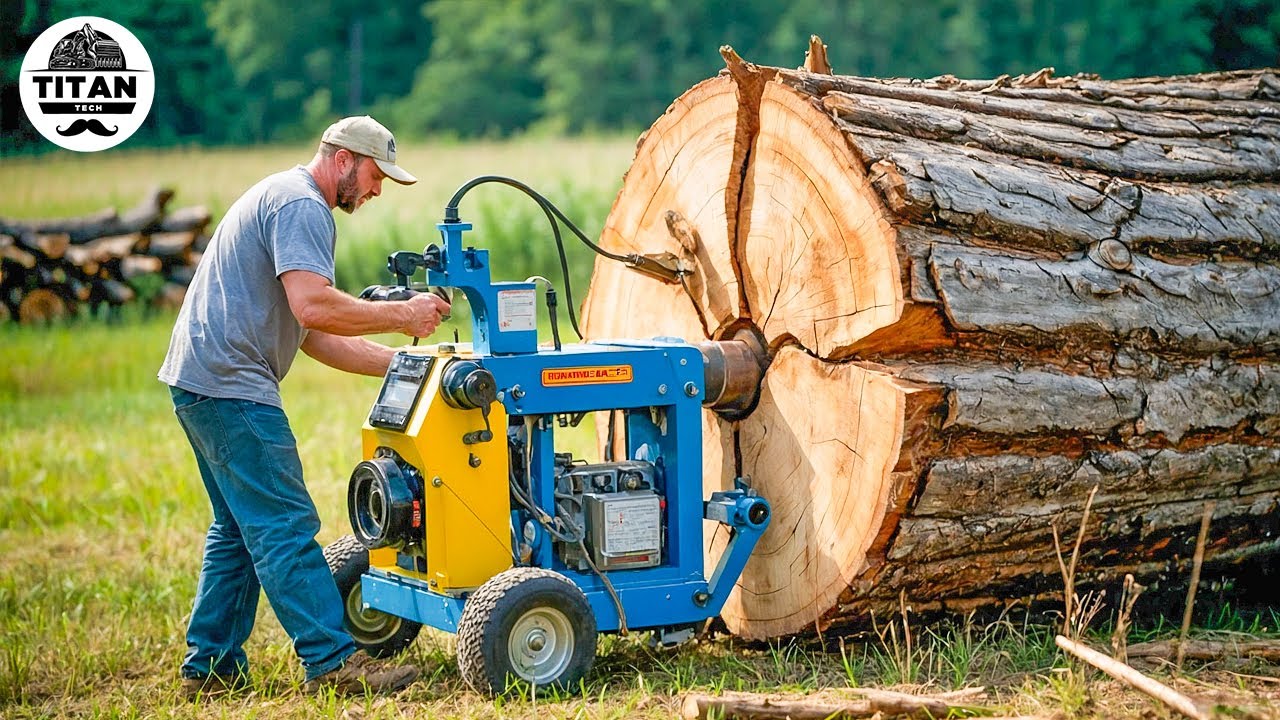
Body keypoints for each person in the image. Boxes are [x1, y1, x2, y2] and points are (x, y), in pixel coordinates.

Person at [158, 116, 450, 699]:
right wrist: (404, 314)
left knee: (240, 531)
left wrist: (404, 363)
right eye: (374, 176)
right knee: (286, 527)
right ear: (344, 160)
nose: (376, 190)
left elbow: (310, 333)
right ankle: (334, 662)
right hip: (231, 386)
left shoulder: (283, 196)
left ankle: (210, 667)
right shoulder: (302, 207)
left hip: (199, 381)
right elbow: (315, 306)